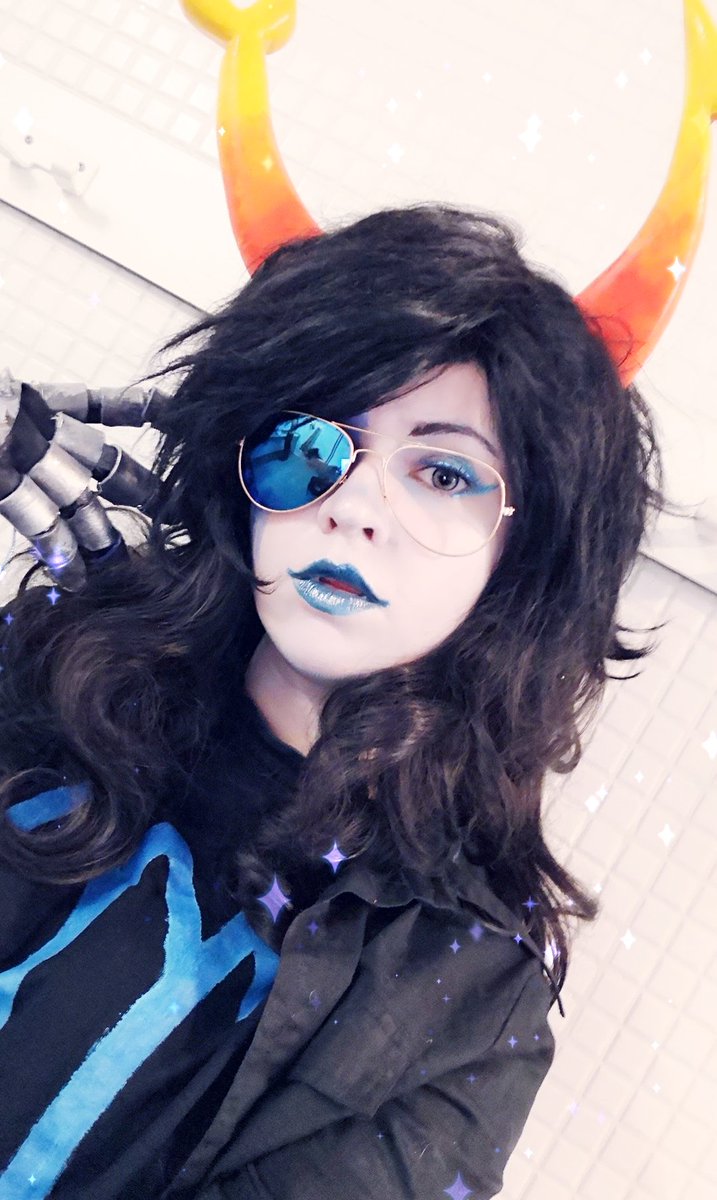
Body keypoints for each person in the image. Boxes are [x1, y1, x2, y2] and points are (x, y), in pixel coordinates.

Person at [0, 204, 664, 1200]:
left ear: (525, 556)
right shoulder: (53, 664)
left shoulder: (467, 997)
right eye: (313, 440)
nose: (351, 503)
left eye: (443, 472)